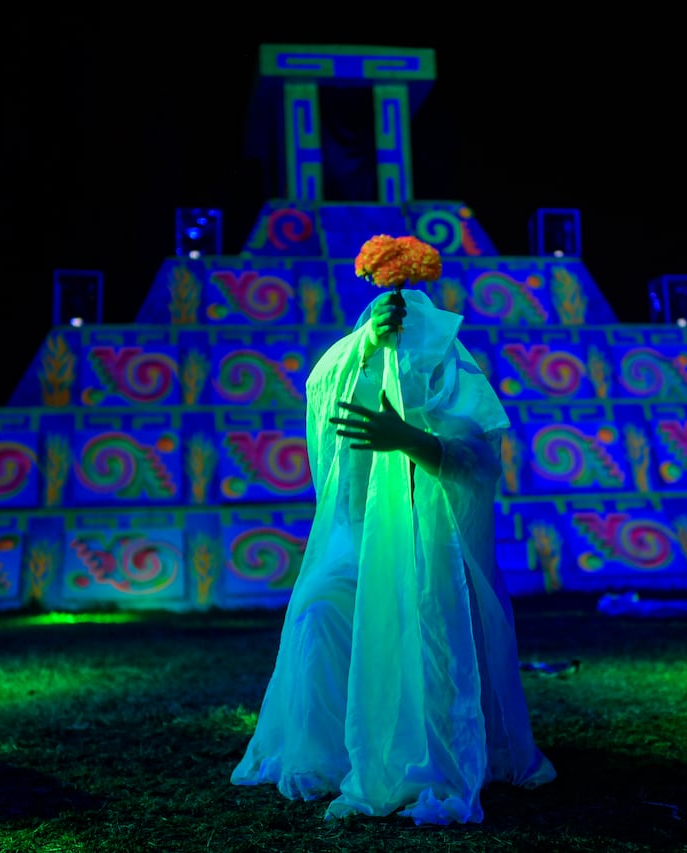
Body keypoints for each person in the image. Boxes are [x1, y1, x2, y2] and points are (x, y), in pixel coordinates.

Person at [230, 241, 556, 825]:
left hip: (431, 552)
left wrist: (411, 439)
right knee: (318, 614)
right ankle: (326, 753)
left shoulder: (450, 373)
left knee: (427, 620)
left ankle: (417, 753)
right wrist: (368, 342)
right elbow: (321, 386)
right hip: (358, 548)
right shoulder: (353, 367)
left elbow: (478, 462)